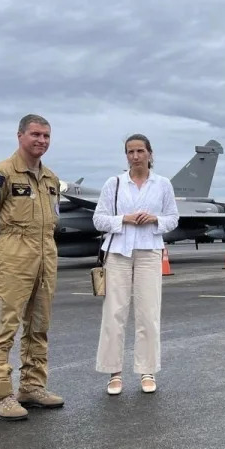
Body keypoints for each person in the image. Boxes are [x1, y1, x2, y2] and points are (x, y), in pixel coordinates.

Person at [0, 114, 64, 421]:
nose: (41, 140)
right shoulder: (2, 173)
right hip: (15, 254)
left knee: (39, 324)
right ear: (20, 136)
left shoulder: (51, 179)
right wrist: (1, 256)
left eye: (46, 136)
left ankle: (32, 387)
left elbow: (52, 219)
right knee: (5, 326)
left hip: (45, 255)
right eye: (36, 134)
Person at [93, 134, 180, 395]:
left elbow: (173, 219)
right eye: (130, 152)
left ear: (150, 153)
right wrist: (124, 219)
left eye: (140, 151)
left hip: (149, 252)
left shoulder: (163, 184)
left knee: (148, 314)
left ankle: (147, 370)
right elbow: (99, 220)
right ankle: (114, 373)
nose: (135, 156)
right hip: (118, 253)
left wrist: (155, 220)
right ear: (126, 155)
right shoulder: (115, 183)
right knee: (114, 313)